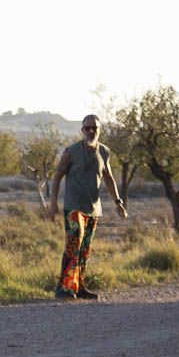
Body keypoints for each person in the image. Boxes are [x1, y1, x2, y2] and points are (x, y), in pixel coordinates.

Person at [48, 115, 127, 300]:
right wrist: (53, 205)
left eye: (95, 128)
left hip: (94, 208)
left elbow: (108, 177)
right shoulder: (71, 152)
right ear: (82, 130)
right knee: (73, 245)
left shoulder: (104, 151)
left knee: (85, 249)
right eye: (87, 128)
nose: (91, 131)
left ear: (99, 130)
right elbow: (58, 176)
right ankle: (63, 288)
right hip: (74, 207)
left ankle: (79, 286)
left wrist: (118, 203)